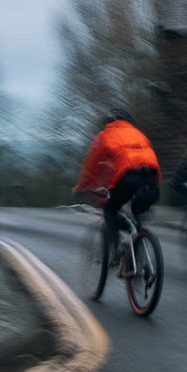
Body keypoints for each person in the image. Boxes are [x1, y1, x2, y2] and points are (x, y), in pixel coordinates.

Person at [74, 110, 161, 273]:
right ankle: (138, 255)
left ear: (109, 122)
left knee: (110, 208)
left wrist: (83, 186)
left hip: (129, 177)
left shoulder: (107, 134)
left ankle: (115, 251)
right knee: (137, 215)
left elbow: (92, 165)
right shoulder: (139, 134)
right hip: (152, 179)